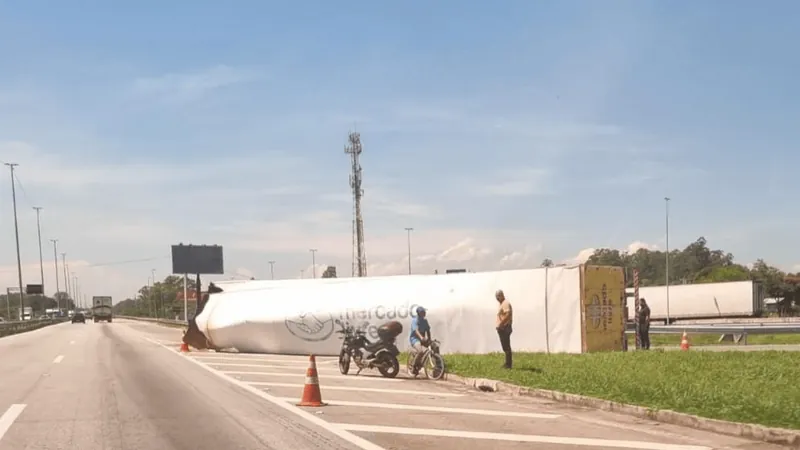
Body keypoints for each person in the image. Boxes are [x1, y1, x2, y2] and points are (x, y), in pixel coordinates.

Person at [409, 306, 431, 376]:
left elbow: (428, 330)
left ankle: (438, 368)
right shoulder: (415, 321)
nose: (425, 313)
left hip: (423, 339)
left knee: (433, 348)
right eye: (423, 312)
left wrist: (429, 339)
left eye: (425, 312)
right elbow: (416, 331)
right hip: (415, 339)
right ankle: (413, 366)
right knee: (420, 351)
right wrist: (421, 337)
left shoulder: (425, 321)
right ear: (419, 313)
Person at [495, 290, 513, 369]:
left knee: (506, 346)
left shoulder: (505, 303)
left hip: (505, 327)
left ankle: (508, 364)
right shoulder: (501, 304)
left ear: (501, 295)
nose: (497, 298)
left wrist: (501, 324)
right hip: (502, 327)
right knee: (505, 346)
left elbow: (508, 314)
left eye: (498, 297)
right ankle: (507, 363)